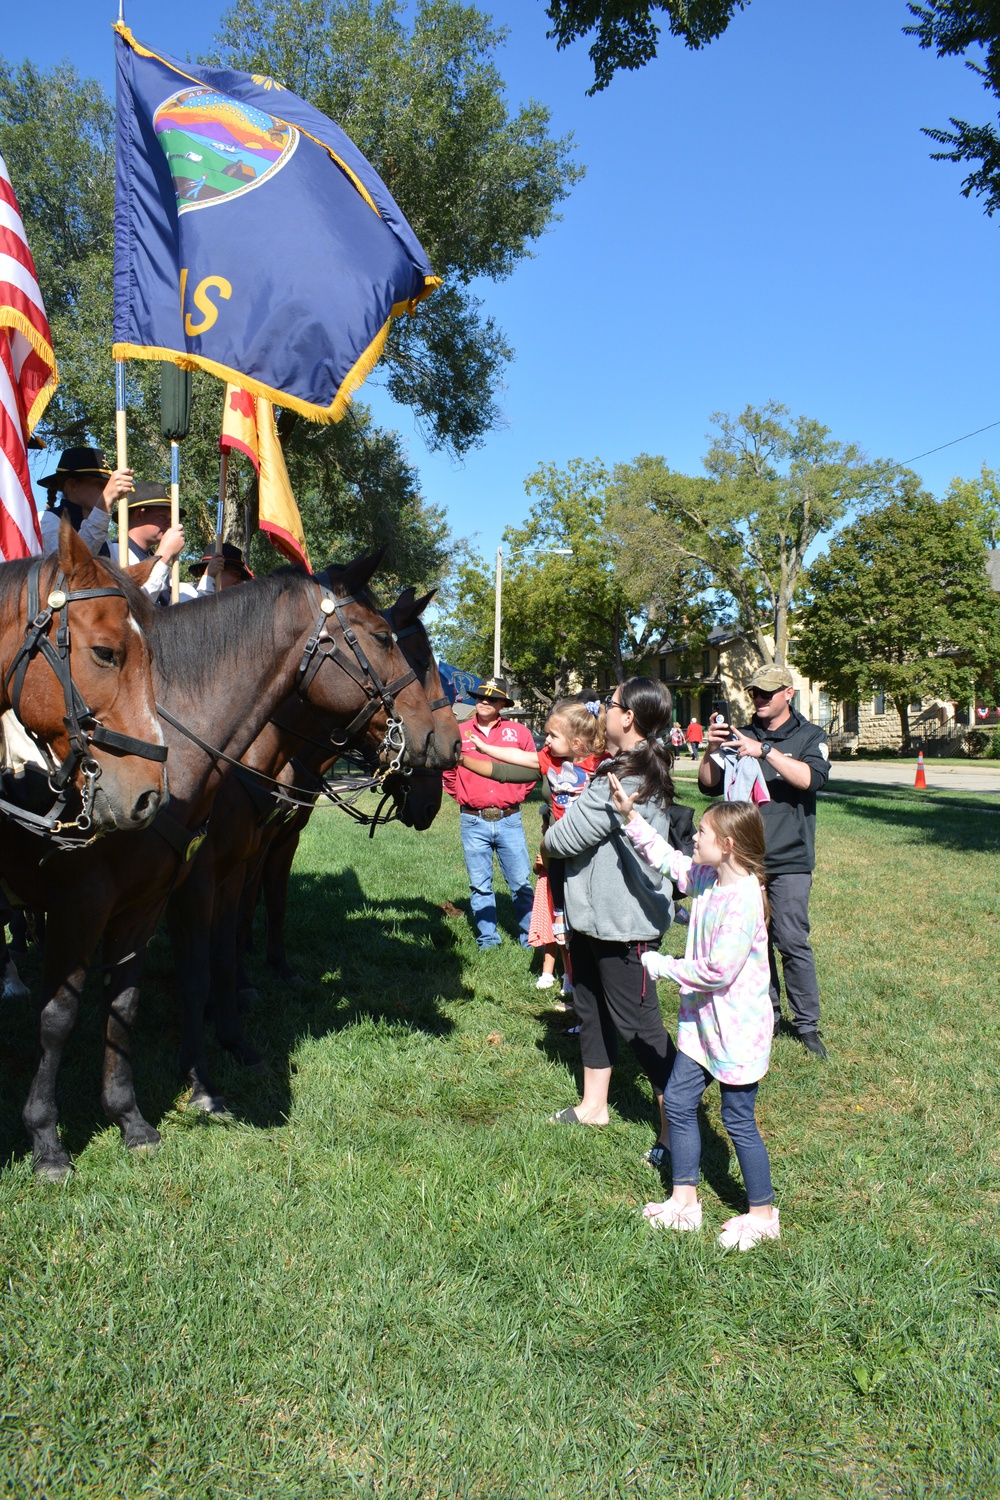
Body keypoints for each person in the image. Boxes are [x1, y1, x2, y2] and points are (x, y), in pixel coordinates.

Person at [610, 786, 779, 1250]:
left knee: (737, 1118)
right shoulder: (706, 876)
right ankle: (685, 1202)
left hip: (737, 1032)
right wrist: (630, 818)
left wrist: (662, 965)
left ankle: (762, 1214)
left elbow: (716, 971)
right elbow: (666, 859)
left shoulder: (744, 899)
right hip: (701, 1028)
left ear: (727, 845)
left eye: (701, 832)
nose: (694, 838)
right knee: (681, 1104)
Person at [541, 678, 675, 1159]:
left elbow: (564, 839)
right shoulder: (624, 767)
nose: (601, 711)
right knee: (591, 1009)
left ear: (628, 718)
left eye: (608, 704)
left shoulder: (626, 778)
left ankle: (673, 1127)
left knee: (641, 1026)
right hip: (593, 919)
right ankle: (594, 1105)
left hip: (624, 925)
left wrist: (552, 829)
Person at [699, 663, 831, 1058]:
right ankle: (768, 1014)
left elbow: (811, 780)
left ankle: (807, 1025)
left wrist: (766, 752)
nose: (758, 698)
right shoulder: (742, 734)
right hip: (745, 859)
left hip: (790, 856)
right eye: (754, 692)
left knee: (791, 940)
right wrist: (710, 748)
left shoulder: (810, 735)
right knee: (752, 941)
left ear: (788, 694)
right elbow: (708, 784)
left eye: (766, 693)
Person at [471, 696, 608, 948]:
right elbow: (515, 759)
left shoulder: (604, 764)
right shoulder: (549, 759)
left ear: (576, 742)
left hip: (593, 851)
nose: (546, 740)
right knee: (562, 910)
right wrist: (483, 748)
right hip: (558, 850)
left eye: (552, 735)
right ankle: (565, 967)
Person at [441, 678, 536, 951]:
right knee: (480, 884)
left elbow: (533, 770)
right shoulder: (458, 732)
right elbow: (448, 769)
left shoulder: (519, 733)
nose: (485, 702)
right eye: (480, 697)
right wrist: (459, 795)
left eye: (492, 699)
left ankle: (530, 938)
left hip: (510, 819)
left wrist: (518, 795)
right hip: (473, 820)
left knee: (520, 883)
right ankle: (488, 940)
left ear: (503, 704)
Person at [38, 447, 134, 556]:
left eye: (109, 485)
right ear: (72, 485)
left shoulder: (105, 542)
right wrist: (104, 502)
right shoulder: (46, 520)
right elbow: (67, 568)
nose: (108, 490)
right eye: (100, 484)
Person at [124, 482, 188, 605]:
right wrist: (165, 554)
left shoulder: (151, 556)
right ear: (140, 515)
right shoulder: (114, 553)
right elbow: (135, 606)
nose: (169, 524)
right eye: (162, 516)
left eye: (170, 519)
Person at [187, 541, 255, 595]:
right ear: (215, 571)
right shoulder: (186, 593)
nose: (240, 581)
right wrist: (208, 576)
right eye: (235, 574)